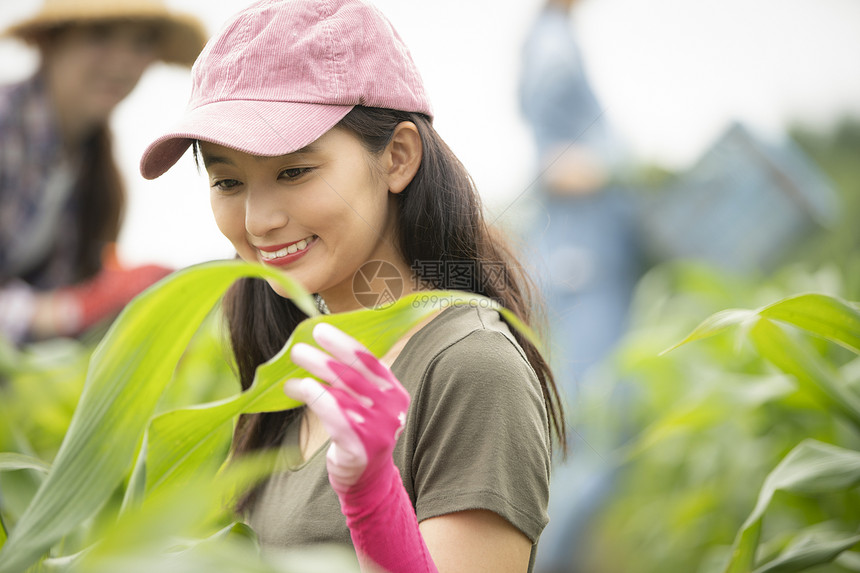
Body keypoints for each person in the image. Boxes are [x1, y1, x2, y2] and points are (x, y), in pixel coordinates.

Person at [139, 0, 565, 571]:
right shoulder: (290, 363)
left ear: (397, 158)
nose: (257, 220)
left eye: (293, 171)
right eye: (228, 181)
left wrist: (372, 500)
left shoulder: (471, 366)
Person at [0, 0, 207, 344]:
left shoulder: (89, 161)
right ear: (52, 41)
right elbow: (61, 309)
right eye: (100, 35)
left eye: (141, 42)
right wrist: (68, 310)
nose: (122, 61)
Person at [519, 1, 641, 571]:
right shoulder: (552, 47)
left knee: (586, 441)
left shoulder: (554, 40)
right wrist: (623, 168)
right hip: (582, 267)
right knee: (594, 440)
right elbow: (555, 163)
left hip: (582, 262)